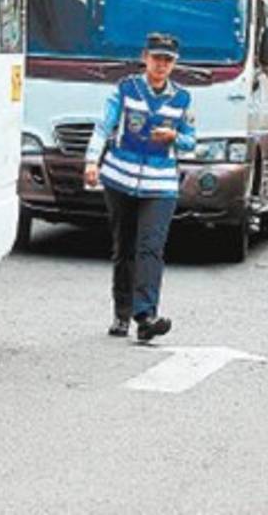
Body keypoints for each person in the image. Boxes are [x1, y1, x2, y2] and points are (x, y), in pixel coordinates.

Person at [84, 33, 196, 342]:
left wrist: (173, 137)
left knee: (151, 248)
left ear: (174, 64)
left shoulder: (182, 99)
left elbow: (191, 141)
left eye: (168, 60)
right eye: (157, 58)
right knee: (125, 247)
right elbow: (104, 127)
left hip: (160, 184)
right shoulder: (125, 89)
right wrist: (92, 161)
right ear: (145, 57)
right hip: (120, 177)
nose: (161, 65)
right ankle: (122, 313)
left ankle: (146, 316)